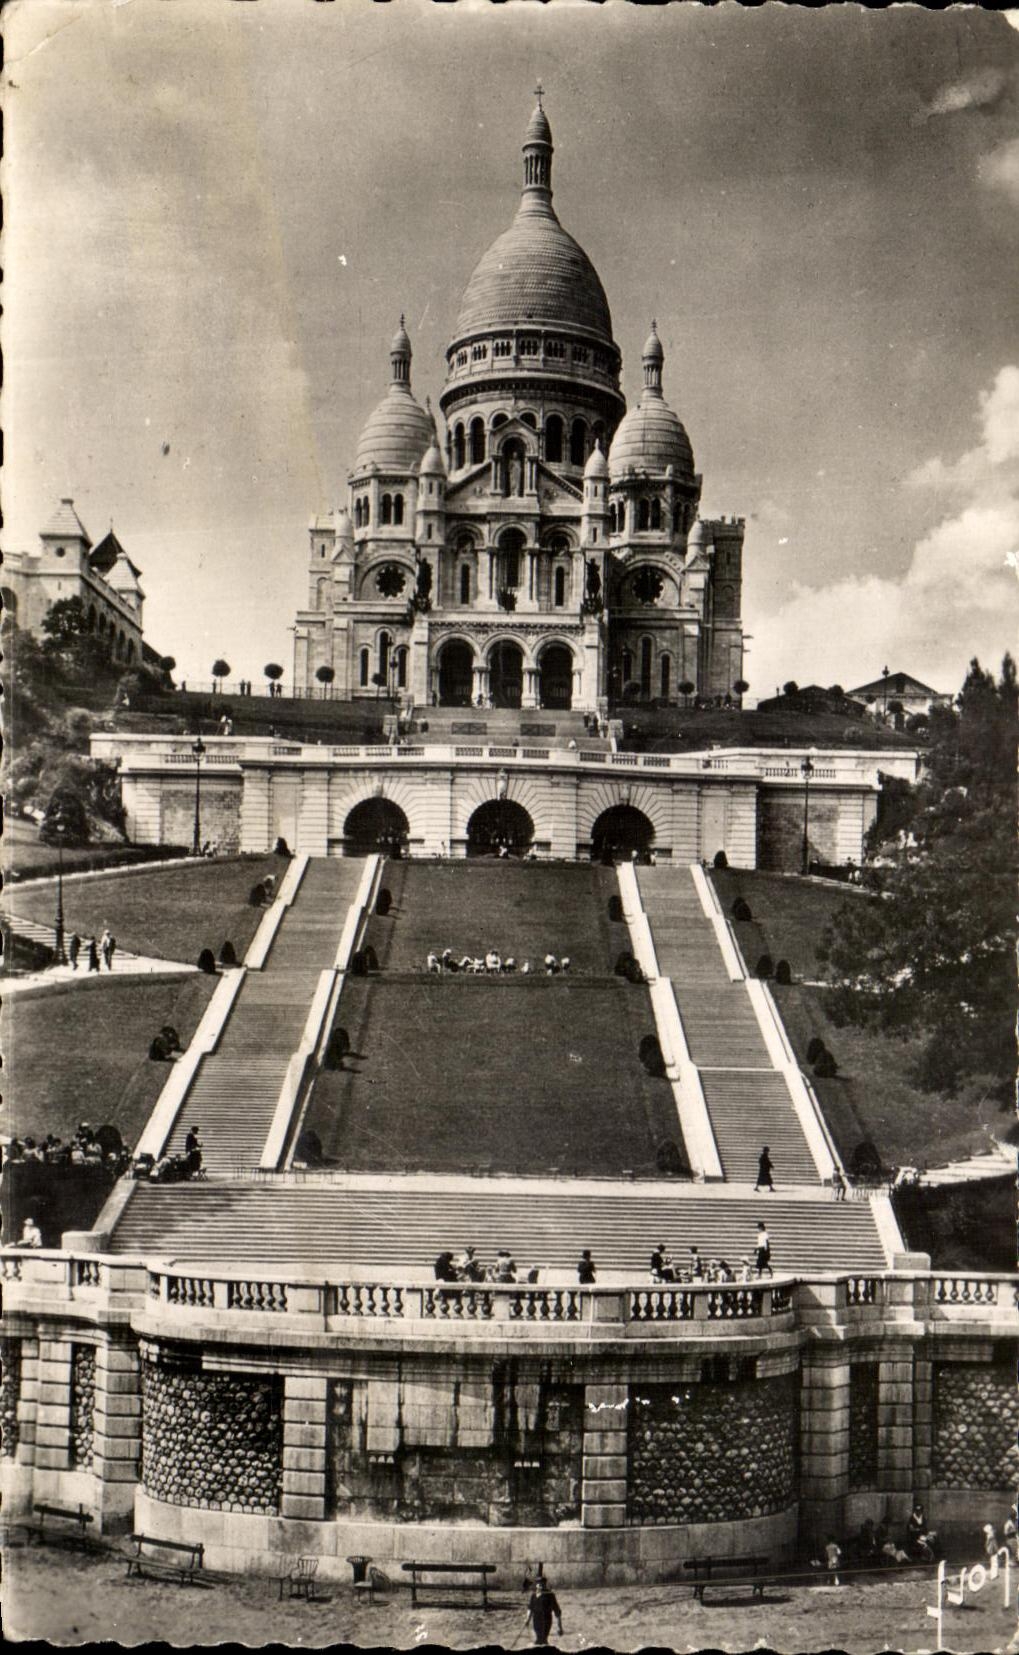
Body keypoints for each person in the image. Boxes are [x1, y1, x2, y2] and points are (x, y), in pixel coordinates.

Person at [523, 1576, 563, 1646]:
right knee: (539, 1638)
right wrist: (527, 1619)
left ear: (545, 1584)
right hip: (536, 1620)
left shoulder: (550, 1595)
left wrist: (559, 1627)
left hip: (546, 1620)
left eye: (542, 1584)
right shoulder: (534, 1595)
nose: (540, 1586)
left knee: (543, 1639)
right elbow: (530, 1608)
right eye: (538, 1584)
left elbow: (557, 1612)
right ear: (536, 1585)